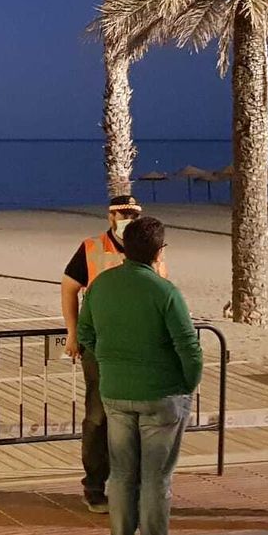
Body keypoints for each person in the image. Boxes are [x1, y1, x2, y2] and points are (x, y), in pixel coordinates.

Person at [80, 216, 202, 535]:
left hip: (116, 393)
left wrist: (109, 362)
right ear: (159, 252)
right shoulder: (165, 292)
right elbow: (190, 349)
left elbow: (86, 333)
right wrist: (186, 385)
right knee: (155, 480)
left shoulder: (101, 286)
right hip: (161, 396)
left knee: (120, 476)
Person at [60, 194, 165, 510]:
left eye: (133, 214)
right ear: (110, 216)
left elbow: (162, 292)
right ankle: (94, 485)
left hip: (139, 349)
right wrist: (72, 332)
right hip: (100, 347)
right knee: (98, 416)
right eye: (122, 213)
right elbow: (69, 286)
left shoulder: (149, 249)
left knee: (135, 418)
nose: (127, 219)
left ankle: (129, 485)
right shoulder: (92, 248)